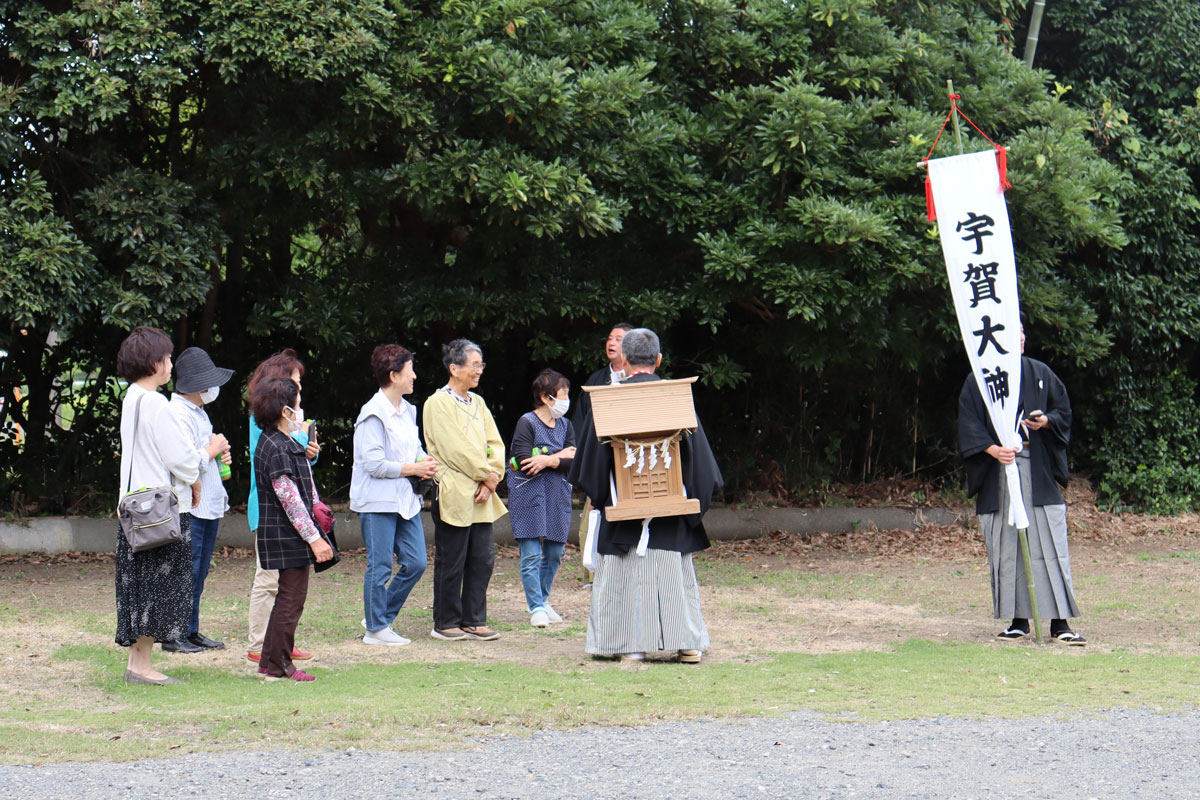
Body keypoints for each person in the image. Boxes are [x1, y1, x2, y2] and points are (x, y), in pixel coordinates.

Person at [568, 328, 722, 663]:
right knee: (673, 576)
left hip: (623, 512)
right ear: (659, 360)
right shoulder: (676, 397)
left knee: (623, 576)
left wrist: (608, 500)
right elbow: (705, 472)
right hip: (670, 513)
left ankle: (627, 647)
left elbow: (588, 470)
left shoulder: (607, 400)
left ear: (623, 358)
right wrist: (687, 507)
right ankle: (687, 645)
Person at [958, 318, 1085, 645]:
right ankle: (1018, 620)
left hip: (1036, 466)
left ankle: (1060, 622)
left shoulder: (1041, 374)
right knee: (1009, 545)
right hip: (999, 470)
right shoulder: (978, 379)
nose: (1018, 343)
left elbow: (1063, 412)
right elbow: (969, 423)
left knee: (1049, 542)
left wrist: (1046, 422)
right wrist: (991, 449)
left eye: (1020, 337)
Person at [115, 326, 205, 685]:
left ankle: (138, 663)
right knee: (159, 585)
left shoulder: (132, 397)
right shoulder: (156, 402)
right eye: (167, 358)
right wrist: (197, 476)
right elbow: (179, 457)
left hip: (134, 509)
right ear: (153, 362)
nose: (171, 365)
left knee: (138, 584)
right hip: (160, 510)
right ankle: (143, 667)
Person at [351, 344, 439, 646]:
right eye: (409, 370)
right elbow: (374, 464)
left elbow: (412, 448)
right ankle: (376, 630)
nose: (414, 376)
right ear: (393, 375)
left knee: (416, 562)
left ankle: (377, 617)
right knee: (380, 565)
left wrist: (424, 461)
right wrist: (413, 467)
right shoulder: (372, 414)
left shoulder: (408, 410)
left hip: (404, 499)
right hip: (377, 501)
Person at [422, 338, 507, 641]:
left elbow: (495, 443)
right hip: (456, 490)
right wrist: (487, 477)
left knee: (482, 558)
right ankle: (446, 622)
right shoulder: (437, 403)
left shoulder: (479, 403)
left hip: (483, 491)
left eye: (481, 365)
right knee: (452, 559)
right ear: (454, 368)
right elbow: (454, 449)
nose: (479, 370)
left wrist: (492, 476)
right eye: (474, 365)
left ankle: (474, 619)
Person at [251, 376, 334, 681]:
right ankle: (280, 667)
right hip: (288, 536)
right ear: (285, 411)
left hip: (284, 534)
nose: (301, 409)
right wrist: (315, 540)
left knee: (285, 598)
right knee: (291, 600)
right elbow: (291, 501)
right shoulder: (278, 447)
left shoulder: (275, 441)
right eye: (297, 403)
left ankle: (268, 660)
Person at [244, 349, 320, 665]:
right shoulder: (260, 418)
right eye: (295, 382)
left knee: (287, 582)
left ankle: (280, 641)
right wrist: (302, 440)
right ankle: (259, 643)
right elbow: (276, 454)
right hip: (268, 508)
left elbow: (297, 455)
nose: (299, 389)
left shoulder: (294, 417)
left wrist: (310, 452)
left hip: (290, 507)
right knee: (269, 579)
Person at [166, 347, 234, 653]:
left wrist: (219, 452)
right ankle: (173, 633)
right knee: (186, 569)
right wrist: (212, 449)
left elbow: (203, 456)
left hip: (207, 502)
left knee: (200, 570)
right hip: (189, 505)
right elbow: (184, 462)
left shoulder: (198, 412)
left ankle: (190, 629)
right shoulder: (177, 414)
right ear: (198, 385)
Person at [507, 369, 577, 628]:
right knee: (531, 554)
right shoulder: (526, 422)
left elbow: (574, 460)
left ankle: (543, 599)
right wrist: (559, 456)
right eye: (563, 394)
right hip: (528, 493)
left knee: (556, 551)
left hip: (557, 493)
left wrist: (547, 458)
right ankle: (535, 606)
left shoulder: (565, 425)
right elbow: (525, 460)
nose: (566, 399)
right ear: (546, 397)